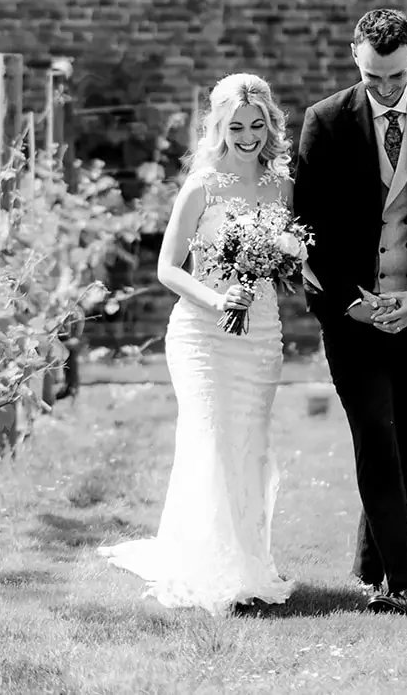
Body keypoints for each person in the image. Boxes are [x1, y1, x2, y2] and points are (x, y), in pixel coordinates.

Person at [293, 9, 407, 616]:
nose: (386, 89)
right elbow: (307, 227)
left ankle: (370, 559)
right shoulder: (323, 122)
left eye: (396, 76)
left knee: (403, 447)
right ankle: (402, 584)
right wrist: (353, 302)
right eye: (374, 78)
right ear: (356, 57)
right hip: (352, 316)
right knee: (375, 433)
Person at [97, 73, 294, 615]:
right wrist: (216, 299)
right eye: (236, 126)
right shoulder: (202, 186)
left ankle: (248, 567)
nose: (248, 135)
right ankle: (207, 570)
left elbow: (286, 256)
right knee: (208, 440)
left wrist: (287, 265)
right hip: (202, 332)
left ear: (270, 124)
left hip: (260, 333)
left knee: (248, 443)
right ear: (219, 128)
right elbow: (166, 268)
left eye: (257, 125)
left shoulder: (281, 187)